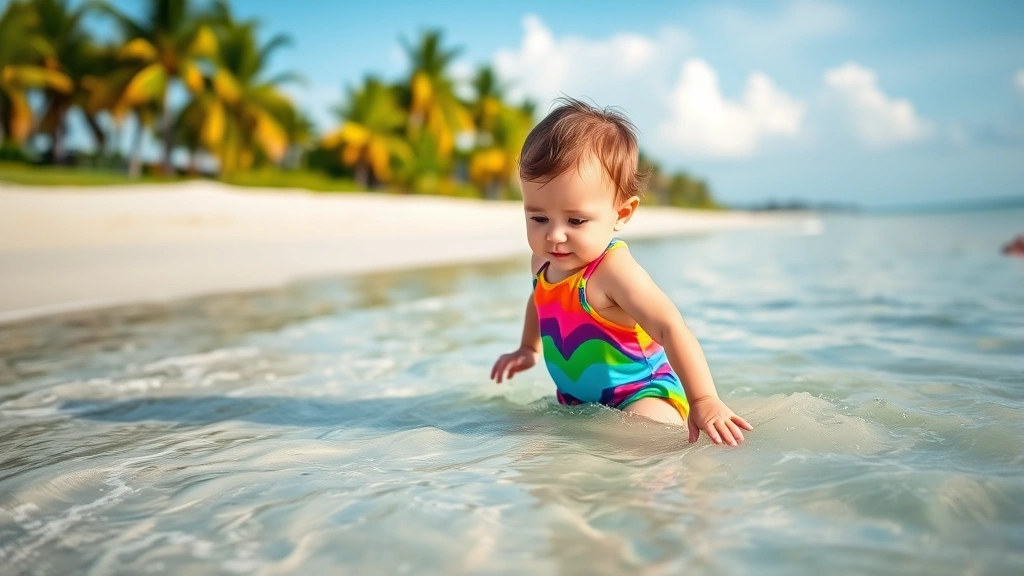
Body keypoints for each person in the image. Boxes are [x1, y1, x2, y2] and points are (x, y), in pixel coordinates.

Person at [489, 97, 753, 446]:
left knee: (643, 443)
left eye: (575, 220)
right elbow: (539, 301)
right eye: (539, 218)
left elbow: (671, 327)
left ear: (622, 214)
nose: (554, 235)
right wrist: (528, 348)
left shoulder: (612, 271)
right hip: (579, 402)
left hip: (643, 396)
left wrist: (703, 400)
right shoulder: (543, 263)